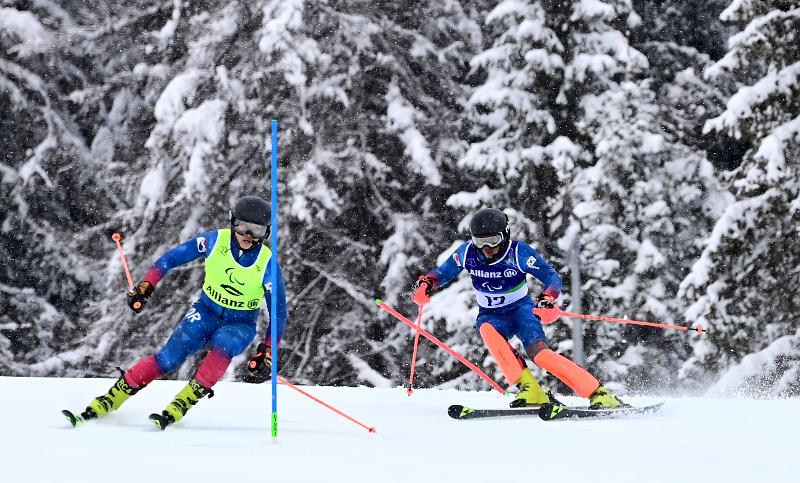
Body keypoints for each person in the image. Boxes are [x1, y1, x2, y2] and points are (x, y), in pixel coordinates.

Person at [64, 195, 287, 430]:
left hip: (240, 323)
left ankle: (183, 402)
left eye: (256, 231)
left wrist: (269, 350)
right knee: (169, 358)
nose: (247, 236)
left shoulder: (267, 263)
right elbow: (171, 258)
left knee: (224, 344)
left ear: (266, 233)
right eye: (242, 227)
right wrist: (147, 285)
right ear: (233, 222)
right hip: (206, 312)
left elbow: (278, 311)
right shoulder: (214, 241)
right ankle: (112, 397)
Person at [411, 207, 625, 409]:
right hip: (492, 315)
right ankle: (531, 390)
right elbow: (442, 272)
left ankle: (599, 393)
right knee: (487, 330)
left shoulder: (517, 252)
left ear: (505, 235)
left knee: (541, 356)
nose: (487, 249)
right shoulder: (468, 253)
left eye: (493, 241)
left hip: (521, 311)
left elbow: (551, 277)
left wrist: (547, 299)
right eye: (480, 242)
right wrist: (427, 284)